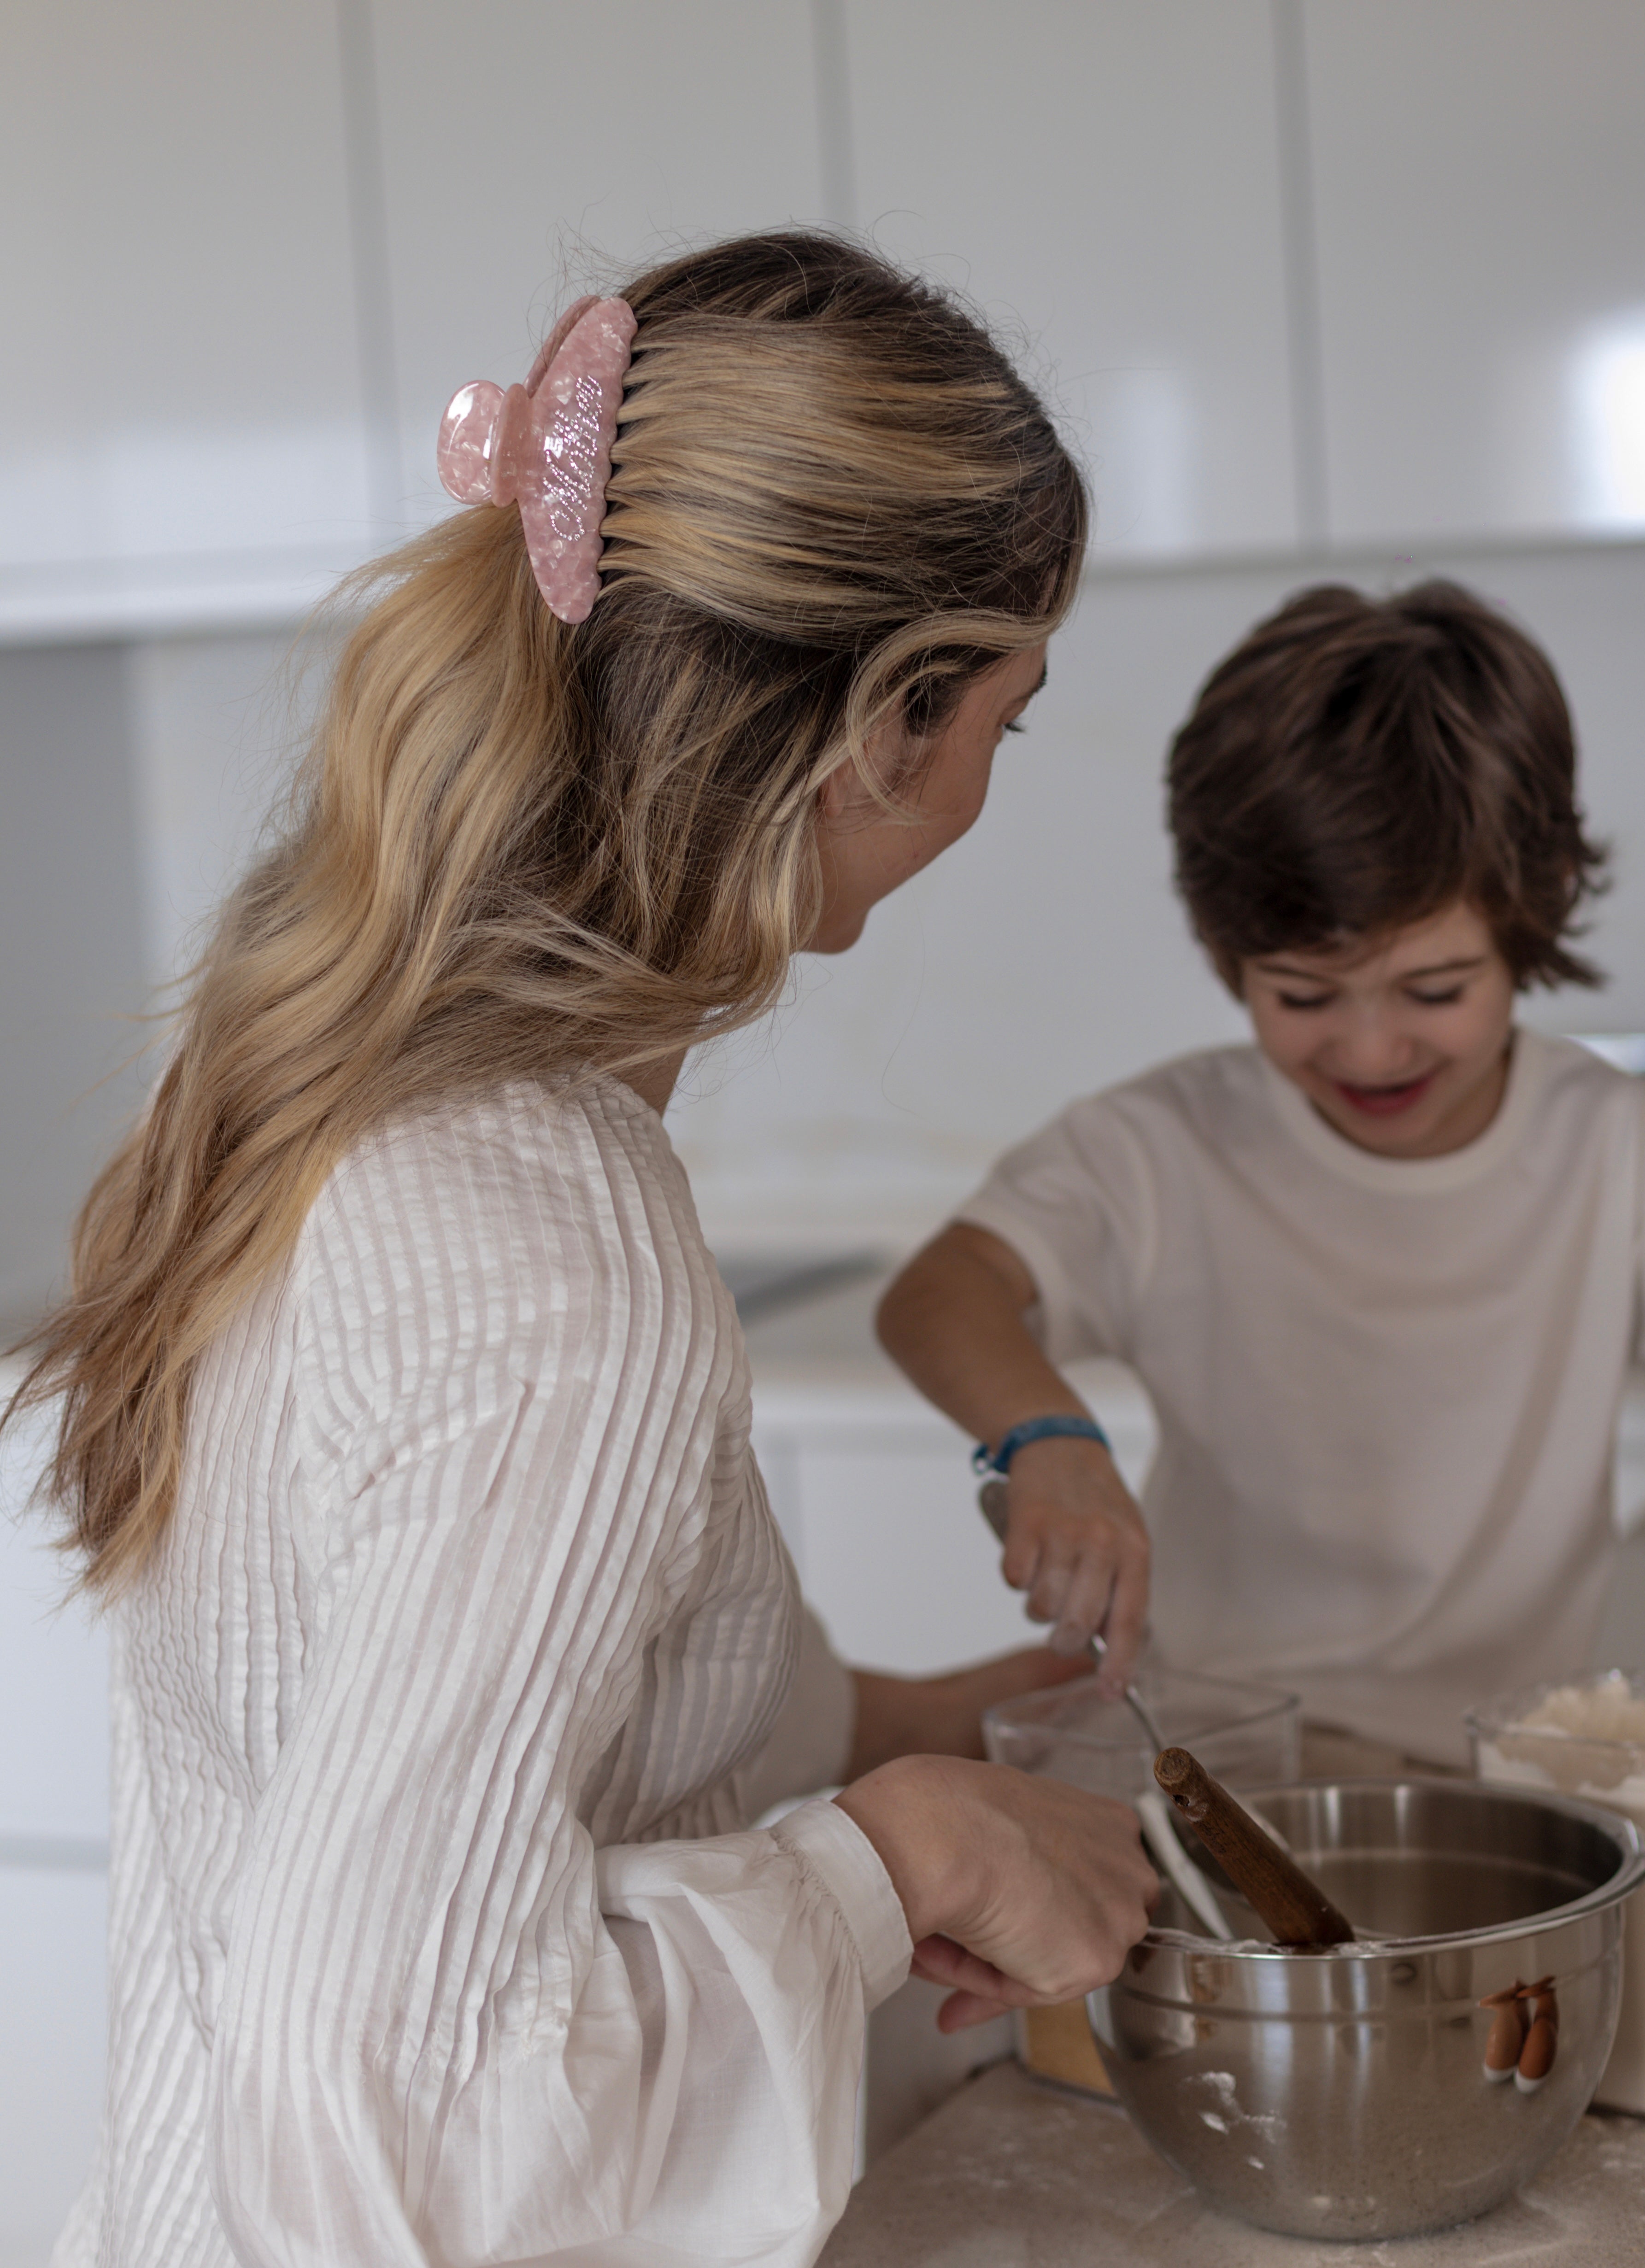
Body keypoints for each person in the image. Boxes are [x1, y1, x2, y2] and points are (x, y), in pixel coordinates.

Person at [6, 234, 1157, 2268]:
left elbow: (520, 1745)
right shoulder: (565, 1272)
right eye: (1007, 711)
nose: (990, 773)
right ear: (885, 719)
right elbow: (391, 2132)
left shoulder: (367, 1104)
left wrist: (931, 1729)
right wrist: (907, 1857)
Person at [879, 580, 1645, 1815]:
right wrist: (1044, 1437)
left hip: (1499, 1769)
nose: (1372, 1049)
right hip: (1211, 1751)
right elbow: (941, 1296)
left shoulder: (1614, 1147)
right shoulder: (1163, 1145)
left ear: (1524, 925)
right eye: (1305, 995)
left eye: (1433, 989)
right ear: (1227, 955)